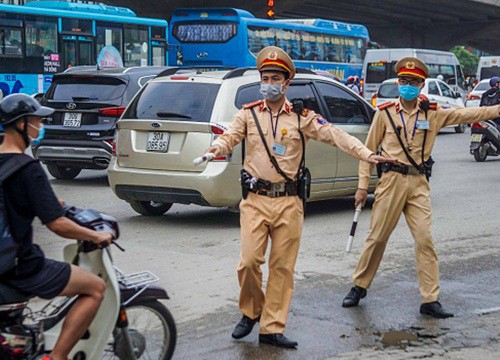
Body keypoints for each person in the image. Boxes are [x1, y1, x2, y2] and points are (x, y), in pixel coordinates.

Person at [205, 46, 395, 348]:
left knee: (282, 267)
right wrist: (216, 148)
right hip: (255, 200)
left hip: (289, 203)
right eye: (264, 77)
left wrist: (366, 153)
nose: (268, 82)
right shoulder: (248, 114)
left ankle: (272, 328)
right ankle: (252, 311)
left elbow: (334, 134)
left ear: (286, 82)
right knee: (249, 262)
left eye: (274, 78)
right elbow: (229, 136)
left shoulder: (301, 117)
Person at [342, 57, 500, 318]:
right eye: (404, 81)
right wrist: (362, 187)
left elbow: (467, 113)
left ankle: (430, 299)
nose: (407, 86)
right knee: (377, 238)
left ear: (421, 85)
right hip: (391, 181)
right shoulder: (385, 114)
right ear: (398, 83)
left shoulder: (433, 113)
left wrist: (495, 110)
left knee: (425, 240)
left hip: (418, 183)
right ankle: (359, 286)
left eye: (413, 82)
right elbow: (368, 151)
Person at [0, 94, 114, 360]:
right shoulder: (28, 169)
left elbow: (11, 202)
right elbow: (58, 224)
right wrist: (95, 235)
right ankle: (58, 356)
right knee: (95, 287)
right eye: (37, 121)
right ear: (22, 124)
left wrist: (46, 201)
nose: (40, 126)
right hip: (21, 267)